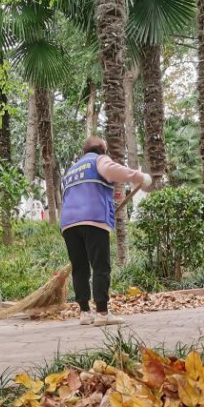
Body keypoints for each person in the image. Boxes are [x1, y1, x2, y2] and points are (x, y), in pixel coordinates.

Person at [60, 135, 154, 326]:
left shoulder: (71, 170)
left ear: (83, 151)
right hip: (93, 220)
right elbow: (112, 171)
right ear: (103, 149)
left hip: (68, 224)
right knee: (100, 266)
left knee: (80, 269)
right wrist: (140, 177)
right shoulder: (99, 160)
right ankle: (102, 313)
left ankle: (85, 313)